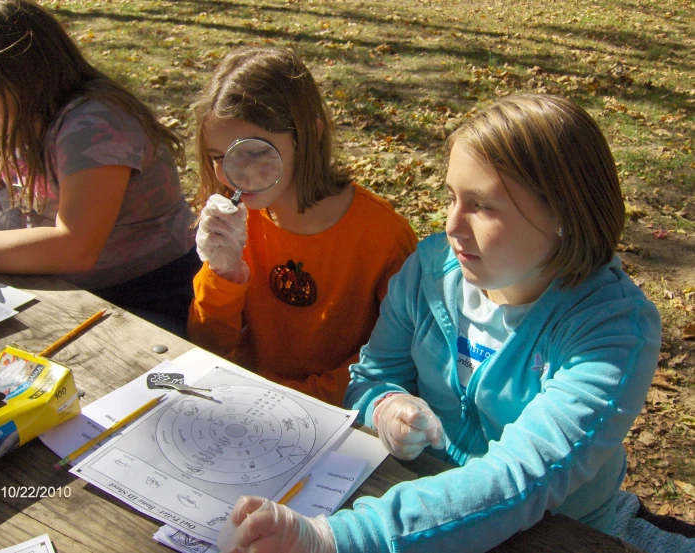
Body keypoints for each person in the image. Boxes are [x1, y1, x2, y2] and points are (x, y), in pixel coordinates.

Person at [217, 95, 695, 553]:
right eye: (452, 197)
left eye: (483, 205)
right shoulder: (430, 272)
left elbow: (521, 478)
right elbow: (371, 377)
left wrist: (335, 540)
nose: (451, 225)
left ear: (565, 214)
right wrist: (386, 407)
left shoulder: (612, 329)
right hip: (412, 508)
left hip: (559, 533)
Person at [188, 47, 417, 406]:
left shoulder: (382, 236)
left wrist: (291, 400)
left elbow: (398, 361)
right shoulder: (237, 226)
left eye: (254, 152)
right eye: (219, 158)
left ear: (309, 135)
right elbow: (208, 345)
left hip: (340, 416)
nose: (236, 173)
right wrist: (223, 273)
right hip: (244, 404)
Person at [0, 0, 199, 337]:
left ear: (28, 81)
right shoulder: (12, 116)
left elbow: (75, 246)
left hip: (151, 296)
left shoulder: (95, 124)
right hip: (68, 288)